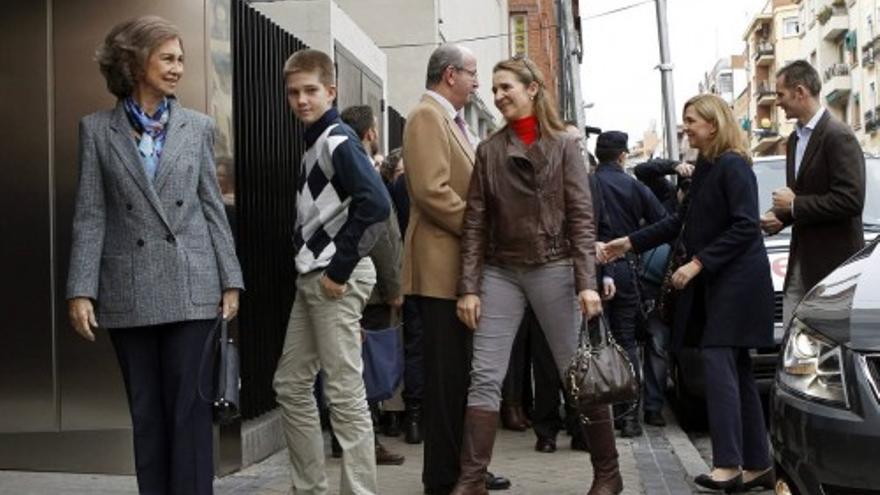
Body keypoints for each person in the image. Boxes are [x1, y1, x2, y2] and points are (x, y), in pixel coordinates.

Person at [66, 16, 244, 495]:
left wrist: (231, 279)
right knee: (146, 413)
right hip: (128, 287)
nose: (177, 68)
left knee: (189, 412)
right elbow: (90, 215)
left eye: (181, 59)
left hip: (193, 283)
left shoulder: (199, 128)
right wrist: (81, 289)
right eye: (167, 58)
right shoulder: (97, 131)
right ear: (134, 61)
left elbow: (212, 205)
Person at [453, 56, 620, 495]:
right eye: (493, 89)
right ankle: (472, 480)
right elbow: (474, 224)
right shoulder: (488, 151)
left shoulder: (565, 144)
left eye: (506, 86)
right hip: (501, 271)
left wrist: (587, 281)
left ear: (532, 89)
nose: (498, 95)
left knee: (576, 373)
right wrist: (468, 287)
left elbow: (583, 219)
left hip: (555, 266)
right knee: (485, 375)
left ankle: (608, 474)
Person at [601, 94, 775, 492]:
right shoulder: (707, 167)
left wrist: (697, 264)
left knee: (717, 361)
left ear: (713, 125)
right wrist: (627, 243)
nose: (686, 128)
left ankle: (728, 465)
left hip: (739, 282)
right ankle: (758, 464)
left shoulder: (733, 165)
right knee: (739, 372)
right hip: (720, 282)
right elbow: (679, 221)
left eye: (691, 120)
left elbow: (745, 226)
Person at [272, 49, 390, 495]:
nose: (301, 100)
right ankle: (310, 488)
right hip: (316, 277)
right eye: (293, 93)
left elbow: (376, 204)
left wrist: (339, 269)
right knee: (290, 384)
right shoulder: (316, 142)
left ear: (331, 91)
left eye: (310, 91)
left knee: (343, 391)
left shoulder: (338, 139)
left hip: (333, 278)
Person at [402, 44, 509, 495]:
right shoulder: (427, 116)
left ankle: (466, 470)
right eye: (472, 74)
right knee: (446, 383)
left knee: (462, 379)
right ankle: (443, 479)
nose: (478, 82)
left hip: (457, 271)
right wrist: (481, 228)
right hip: (439, 272)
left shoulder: (452, 121)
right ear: (450, 75)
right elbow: (431, 191)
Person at [762, 60, 866, 323]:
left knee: (830, 355)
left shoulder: (838, 135)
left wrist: (795, 206)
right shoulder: (795, 139)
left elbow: (851, 200)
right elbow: (806, 197)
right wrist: (781, 217)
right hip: (800, 266)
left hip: (834, 272)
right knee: (795, 348)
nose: (777, 102)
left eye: (781, 94)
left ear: (800, 92)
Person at [340, 104, 406, 466]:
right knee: (365, 368)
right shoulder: (363, 170)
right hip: (371, 290)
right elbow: (380, 235)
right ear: (370, 133)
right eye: (376, 127)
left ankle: (350, 438)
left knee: (351, 365)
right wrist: (394, 286)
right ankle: (364, 442)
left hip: (358, 284)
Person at [591, 131, 667, 438]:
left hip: (590, 269)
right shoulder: (633, 187)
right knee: (626, 342)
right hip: (624, 268)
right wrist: (636, 240)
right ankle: (629, 416)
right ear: (623, 156)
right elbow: (662, 221)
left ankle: (597, 415)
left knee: (595, 342)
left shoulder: (587, 183)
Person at [631, 157, 694, 427]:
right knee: (656, 346)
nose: (687, 195)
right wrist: (674, 166)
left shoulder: (707, 209)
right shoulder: (665, 200)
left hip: (688, 290)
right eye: (685, 189)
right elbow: (643, 170)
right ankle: (653, 407)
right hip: (654, 289)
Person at [382, 148, 425, 445]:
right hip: (438, 277)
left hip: (408, 274)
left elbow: (392, 232)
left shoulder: (398, 186)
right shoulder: (434, 181)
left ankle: (413, 417)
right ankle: (420, 416)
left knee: (414, 348)